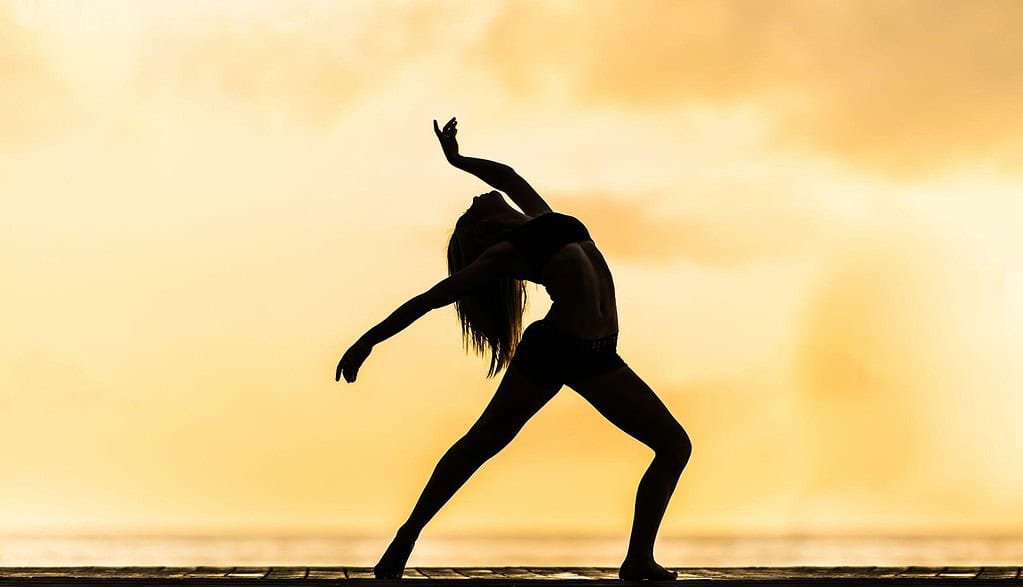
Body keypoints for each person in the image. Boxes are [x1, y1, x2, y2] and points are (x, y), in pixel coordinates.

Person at [336, 117, 692, 581]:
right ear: (484, 231)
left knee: (673, 445)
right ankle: (406, 537)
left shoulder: (543, 218)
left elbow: (504, 176)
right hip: (555, 350)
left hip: (599, 356)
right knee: (482, 443)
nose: (478, 196)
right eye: (473, 208)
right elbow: (430, 299)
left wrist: (458, 160)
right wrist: (368, 340)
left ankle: (638, 559)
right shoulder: (507, 253)